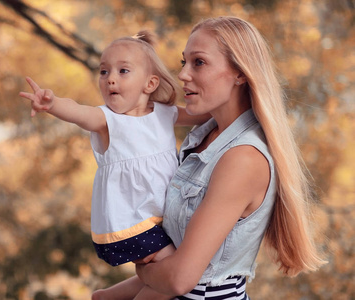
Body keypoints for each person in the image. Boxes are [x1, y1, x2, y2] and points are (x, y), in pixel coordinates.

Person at [97, 16, 326, 299]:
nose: (183, 75)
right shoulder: (202, 138)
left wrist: (142, 267)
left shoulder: (242, 159)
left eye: (199, 62)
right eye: (184, 62)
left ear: (240, 73)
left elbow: (180, 279)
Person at [19, 31, 210, 299]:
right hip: (128, 223)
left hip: (154, 219)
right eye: (104, 71)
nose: (110, 78)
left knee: (159, 275)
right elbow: (78, 111)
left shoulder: (164, 114)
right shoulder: (107, 120)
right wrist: (52, 105)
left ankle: (106, 297)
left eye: (123, 71)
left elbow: (203, 113)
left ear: (150, 83)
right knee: (174, 276)